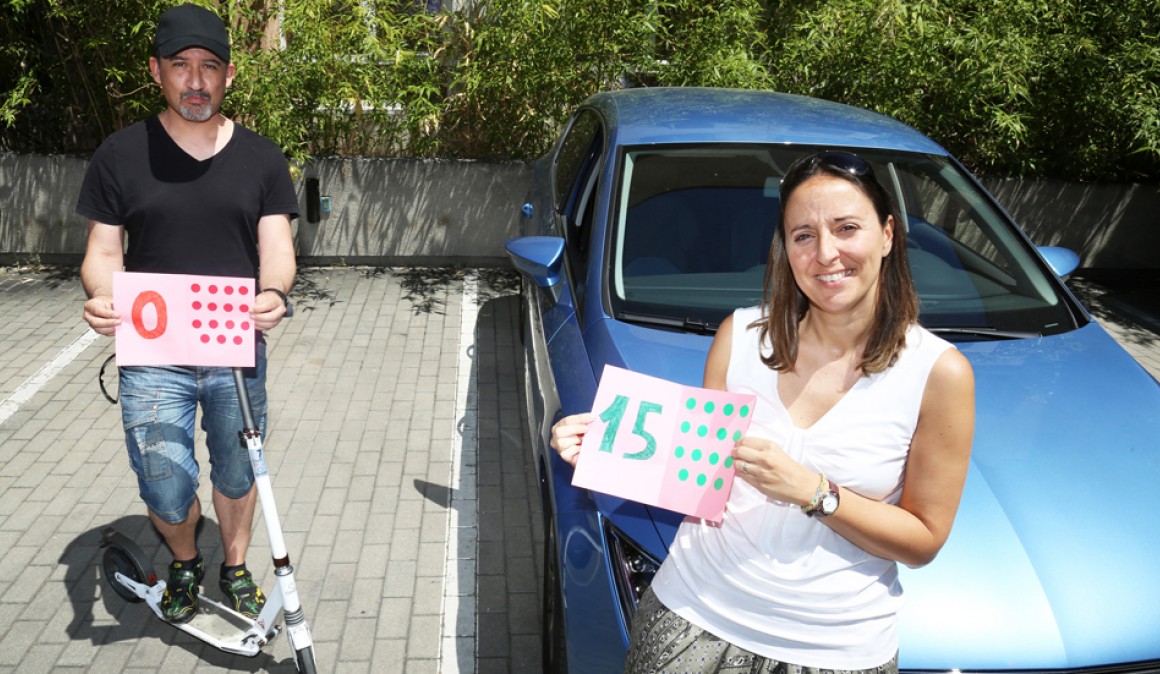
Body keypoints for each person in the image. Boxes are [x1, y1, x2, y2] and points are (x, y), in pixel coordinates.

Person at [551, 151, 975, 673]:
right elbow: (700, 479)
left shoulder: (938, 372)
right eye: (803, 235)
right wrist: (608, 443)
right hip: (691, 619)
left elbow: (923, 540)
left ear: (887, 235)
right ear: (785, 249)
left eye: (847, 228)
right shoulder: (740, 338)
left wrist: (813, 492)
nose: (826, 253)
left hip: (833, 653)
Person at [76, 3, 298, 624]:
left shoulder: (260, 157)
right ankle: (182, 557)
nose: (196, 81)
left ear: (228, 74)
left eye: (209, 67)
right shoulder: (120, 155)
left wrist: (275, 294)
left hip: (234, 350)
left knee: (235, 470)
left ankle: (232, 564)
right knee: (165, 485)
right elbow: (103, 251)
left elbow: (277, 247)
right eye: (181, 66)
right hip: (153, 357)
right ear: (157, 71)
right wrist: (100, 294)